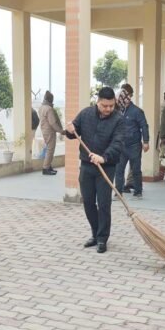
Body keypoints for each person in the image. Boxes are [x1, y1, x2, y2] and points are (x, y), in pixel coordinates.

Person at [65, 87, 123, 254]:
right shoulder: (85, 114)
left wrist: (103, 157)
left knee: (104, 204)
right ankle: (95, 233)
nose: (108, 109)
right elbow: (73, 132)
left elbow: (118, 143)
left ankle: (103, 238)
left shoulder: (118, 120)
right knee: (88, 202)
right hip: (86, 166)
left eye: (111, 106)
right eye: (105, 106)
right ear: (98, 102)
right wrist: (69, 130)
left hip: (106, 167)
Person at [114, 84, 149, 199]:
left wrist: (146, 141)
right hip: (121, 146)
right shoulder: (118, 111)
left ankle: (138, 191)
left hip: (134, 146)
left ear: (130, 96)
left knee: (136, 170)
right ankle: (118, 192)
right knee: (119, 170)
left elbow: (144, 126)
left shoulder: (137, 111)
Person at [38, 91, 63, 175]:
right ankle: (46, 168)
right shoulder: (49, 109)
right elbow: (53, 123)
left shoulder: (41, 107)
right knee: (50, 150)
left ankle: (48, 166)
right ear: (50, 99)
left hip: (44, 130)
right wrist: (61, 131)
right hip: (50, 131)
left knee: (49, 148)